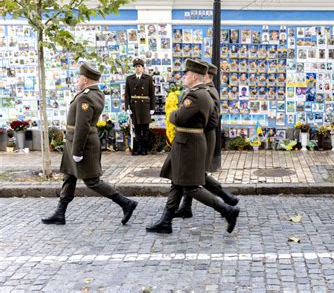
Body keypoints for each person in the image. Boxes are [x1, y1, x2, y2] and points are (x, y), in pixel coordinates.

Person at [146, 59, 240, 234]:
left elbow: (179, 117)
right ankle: (166, 221)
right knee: (176, 182)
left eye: (187, 74)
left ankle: (227, 210)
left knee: (191, 186)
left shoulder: (196, 95)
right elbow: (211, 120)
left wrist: (172, 113)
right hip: (188, 143)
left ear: (195, 76)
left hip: (188, 144)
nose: (184, 76)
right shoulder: (203, 93)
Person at [41, 63, 138, 225]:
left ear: (85, 80)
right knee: (69, 176)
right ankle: (60, 212)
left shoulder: (86, 96)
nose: (78, 81)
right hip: (76, 141)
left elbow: (82, 126)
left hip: (82, 144)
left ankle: (126, 203)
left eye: (80, 78)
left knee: (92, 181)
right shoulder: (96, 93)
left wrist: (77, 151)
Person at [173, 60, 239, 219]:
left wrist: (197, 131)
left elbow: (213, 120)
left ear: (206, 75)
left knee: (197, 176)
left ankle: (226, 200)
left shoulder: (208, 92)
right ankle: (187, 206)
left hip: (203, 137)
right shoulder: (207, 90)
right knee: (193, 176)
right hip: (199, 137)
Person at [125, 58, 156, 155]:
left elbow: (152, 94)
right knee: (137, 129)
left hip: (145, 106)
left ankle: (144, 148)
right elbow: (127, 94)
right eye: (136, 66)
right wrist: (127, 107)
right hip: (135, 106)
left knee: (145, 128)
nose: (137, 68)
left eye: (139, 66)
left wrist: (152, 108)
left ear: (143, 67)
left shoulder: (148, 78)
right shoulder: (129, 79)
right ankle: (137, 148)